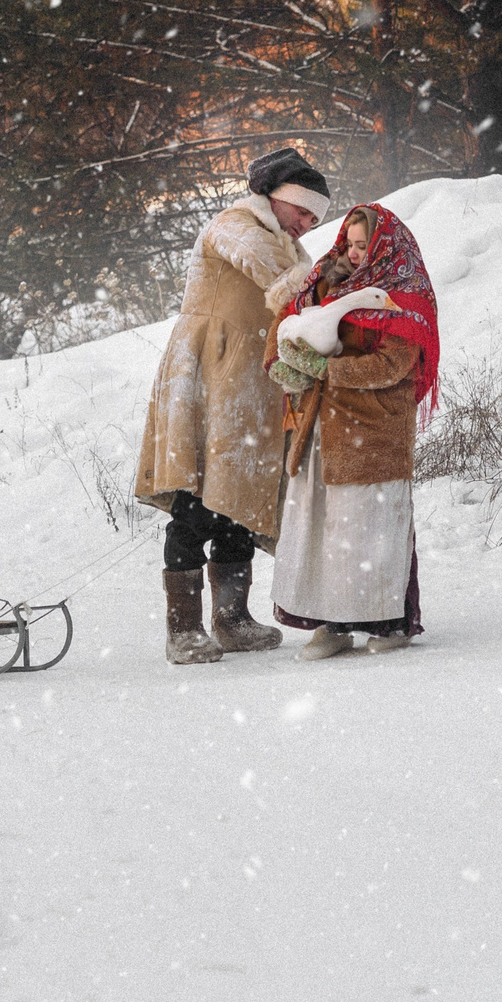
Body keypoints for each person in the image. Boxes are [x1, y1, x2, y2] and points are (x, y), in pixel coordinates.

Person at [134, 148, 331, 665]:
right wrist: (325, 294)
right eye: (304, 212)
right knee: (196, 501)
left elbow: (301, 294)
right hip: (209, 368)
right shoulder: (235, 224)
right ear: (277, 199)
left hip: (253, 381)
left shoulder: (294, 252)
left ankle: (232, 619)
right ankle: (183, 629)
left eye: (315, 220)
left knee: (241, 498)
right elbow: (277, 279)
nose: (307, 225)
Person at [266, 202, 439, 659]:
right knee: (325, 524)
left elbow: (394, 364)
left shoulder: (405, 289)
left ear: (385, 244)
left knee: (371, 525)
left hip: (375, 427)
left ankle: (390, 621)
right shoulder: (324, 281)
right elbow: (284, 322)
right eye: (351, 243)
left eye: (366, 245)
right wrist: (282, 366)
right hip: (322, 425)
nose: (357, 254)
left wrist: (327, 369)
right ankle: (331, 621)